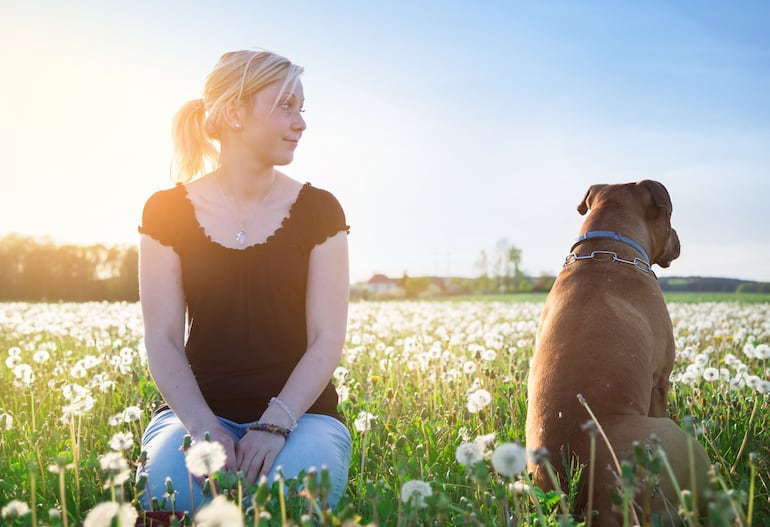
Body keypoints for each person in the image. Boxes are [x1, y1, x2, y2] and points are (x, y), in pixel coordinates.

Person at [136, 49, 352, 513]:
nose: (301, 123)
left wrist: (275, 425)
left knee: (289, 508)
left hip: (304, 418)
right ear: (234, 113)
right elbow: (163, 337)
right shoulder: (165, 211)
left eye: (302, 108)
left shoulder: (321, 211)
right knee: (175, 504)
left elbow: (327, 338)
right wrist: (203, 428)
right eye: (285, 106)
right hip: (194, 417)